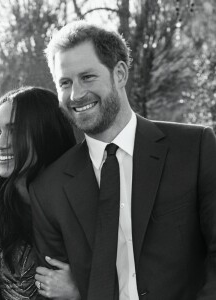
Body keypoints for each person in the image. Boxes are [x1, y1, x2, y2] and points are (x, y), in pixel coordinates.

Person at [30, 20, 216, 300]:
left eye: (87, 77)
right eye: (65, 83)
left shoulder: (194, 148)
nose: (76, 94)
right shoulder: (48, 189)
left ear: (119, 74)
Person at [0, 86, 79, 300]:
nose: (0, 144)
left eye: (15, 131)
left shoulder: (83, 197)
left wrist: (78, 292)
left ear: (46, 134)